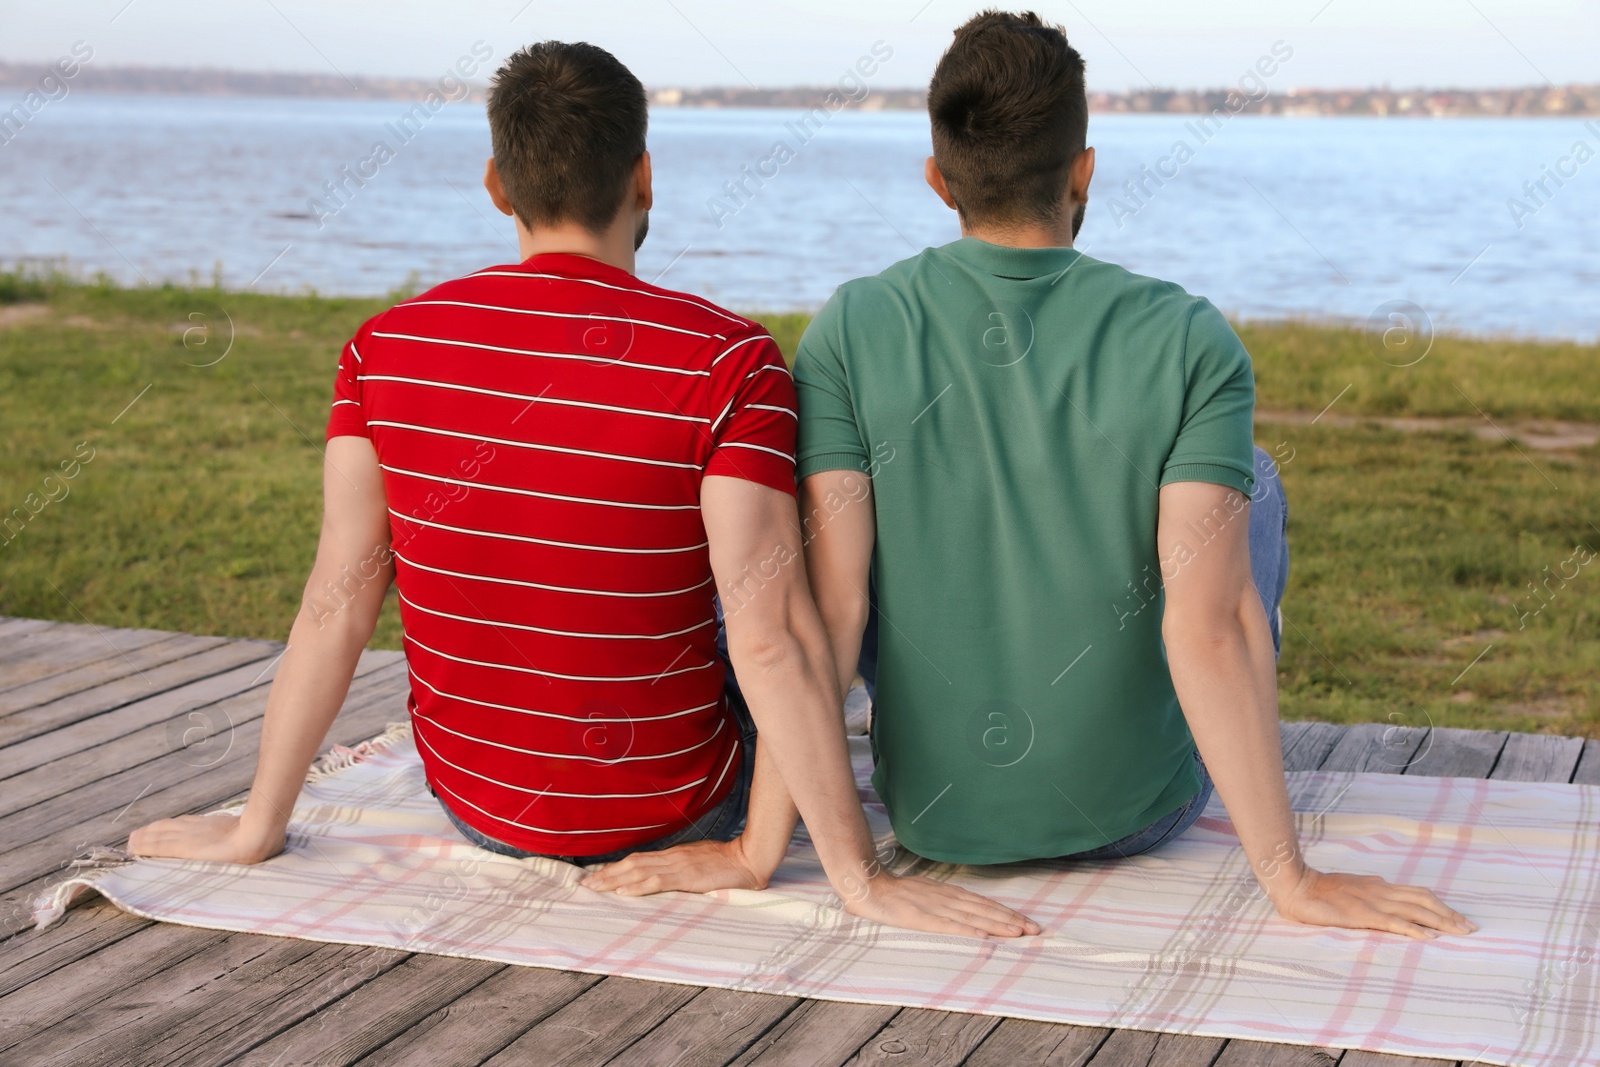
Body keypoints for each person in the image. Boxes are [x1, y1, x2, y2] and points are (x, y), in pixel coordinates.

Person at [128, 39, 1036, 941]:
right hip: (680, 811)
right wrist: (858, 878)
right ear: (644, 176)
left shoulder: (380, 351)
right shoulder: (727, 361)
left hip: (484, 807)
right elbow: (771, 640)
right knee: (793, 585)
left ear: (496, 185)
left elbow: (337, 604)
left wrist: (258, 826)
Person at [613, 10, 1475, 941]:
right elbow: (1213, 619)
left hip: (937, 817)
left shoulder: (852, 328)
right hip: (1136, 816)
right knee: (1251, 481)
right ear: (1084, 170)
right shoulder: (1190, 337)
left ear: (939, 181)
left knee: (870, 533)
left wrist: (759, 847)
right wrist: (1289, 876)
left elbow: (830, 612)